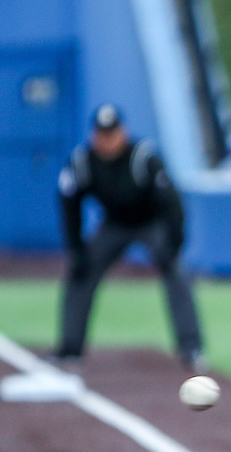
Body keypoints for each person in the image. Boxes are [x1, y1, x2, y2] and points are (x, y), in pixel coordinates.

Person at [56, 103, 206, 370]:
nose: (107, 140)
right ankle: (70, 349)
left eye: (112, 133)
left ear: (122, 132)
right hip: (114, 224)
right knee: (80, 272)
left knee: (176, 271)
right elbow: (69, 204)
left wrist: (174, 244)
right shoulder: (82, 161)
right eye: (102, 134)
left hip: (151, 222)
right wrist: (76, 248)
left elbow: (172, 202)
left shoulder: (143, 157)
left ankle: (191, 348)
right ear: (93, 135)